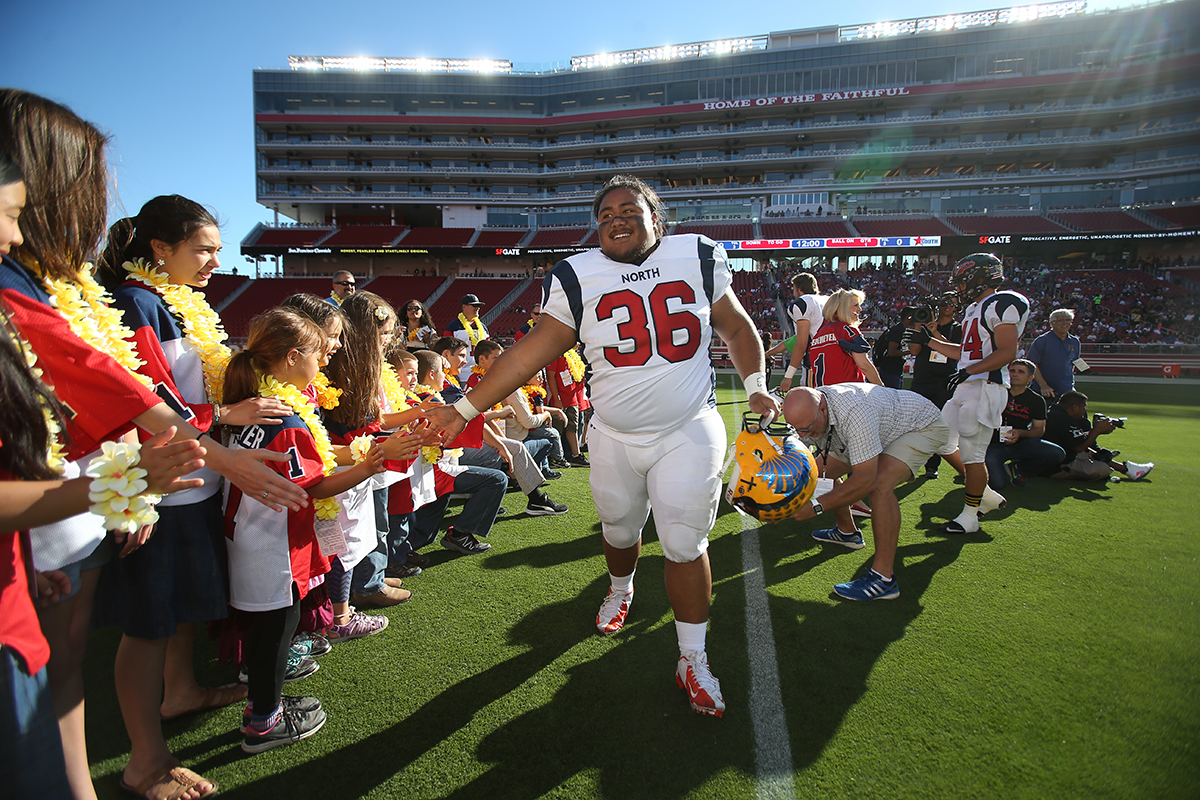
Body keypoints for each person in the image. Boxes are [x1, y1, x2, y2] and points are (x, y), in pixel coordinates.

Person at [1, 88, 307, 800]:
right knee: (89, 650)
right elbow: (127, 392)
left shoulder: (58, 285)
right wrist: (201, 451)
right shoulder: (111, 299)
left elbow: (120, 389)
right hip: (85, 505)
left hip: (91, 508)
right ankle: (138, 757)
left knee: (80, 655)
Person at [427, 174, 779, 718]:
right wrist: (464, 409)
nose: (616, 217)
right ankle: (621, 587)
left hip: (689, 427)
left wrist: (757, 388)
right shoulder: (575, 273)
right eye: (606, 211)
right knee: (619, 530)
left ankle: (692, 657)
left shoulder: (700, 254)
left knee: (686, 544)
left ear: (655, 216)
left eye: (629, 208)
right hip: (613, 434)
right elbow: (528, 355)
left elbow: (736, 326)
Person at [98, 195, 308, 799]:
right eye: (205, 249)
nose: (217, 260)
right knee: (147, 625)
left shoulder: (172, 302)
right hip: (161, 489)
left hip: (194, 485)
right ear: (160, 250)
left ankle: (182, 691)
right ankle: (145, 760)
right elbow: (145, 406)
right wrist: (223, 416)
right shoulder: (136, 303)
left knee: (176, 612)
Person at [222, 308, 385, 754]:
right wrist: (369, 466)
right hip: (272, 544)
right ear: (294, 358)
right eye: (317, 354)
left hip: (250, 536)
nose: (323, 364)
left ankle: (264, 703)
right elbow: (316, 487)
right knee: (276, 629)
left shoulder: (253, 408)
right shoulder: (286, 421)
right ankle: (264, 721)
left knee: (268, 630)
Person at [781, 384, 956, 600]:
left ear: (823, 409)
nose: (803, 435)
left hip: (918, 425)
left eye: (806, 428)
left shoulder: (855, 412)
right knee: (816, 474)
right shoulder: (813, 409)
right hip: (877, 428)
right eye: (797, 428)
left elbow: (865, 481)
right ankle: (847, 533)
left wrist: (817, 506)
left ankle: (883, 579)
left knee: (880, 485)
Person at [922, 253, 1030, 534]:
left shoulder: (1002, 302)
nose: (958, 289)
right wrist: (929, 341)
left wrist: (969, 372)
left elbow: (1007, 352)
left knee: (973, 456)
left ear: (979, 278)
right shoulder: (975, 309)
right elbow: (964, 354)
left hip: (985, 388)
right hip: (967, 385)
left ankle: (970, 517)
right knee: (941, 440)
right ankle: (988, 494)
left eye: (961, 282)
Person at [906, 293, 965, 480]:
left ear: (957, 307)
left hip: (944, 380)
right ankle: (911, 462)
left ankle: (932, 466)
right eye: (944, 302)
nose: (948, 306)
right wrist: (919, 325)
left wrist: (934, 333)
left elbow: (956, 352)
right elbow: (915, 350)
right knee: (916, 422)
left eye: (952, 304)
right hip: (922, 378)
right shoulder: (924, 324)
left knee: (940, 424)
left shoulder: (959, 328)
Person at [983, 359, 1066, 490]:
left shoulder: (1037, 400)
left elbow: (1039, 430)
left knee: (1056, 453)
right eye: (1012, 371)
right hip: (992, 445)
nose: (1014, 374)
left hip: (1021, 443)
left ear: (1031, 378)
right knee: (997, 484)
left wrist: (1020, 433)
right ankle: (981, 466)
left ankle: (1019, 469)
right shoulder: (995, 392)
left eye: (1021, 372)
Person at [1042, 391, 1154, 481]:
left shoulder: (1056, 413)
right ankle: (1126, 469)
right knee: (1103, 469)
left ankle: (1126, 469)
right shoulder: (1061, 419)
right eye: (1084, 407)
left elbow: (1074, 439)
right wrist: (1097, 430)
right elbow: (1078, 447)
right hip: (1056, 466)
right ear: (1075, 407)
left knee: (1092, 452)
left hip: (1055, 456)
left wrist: (1094, 431)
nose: (1085, 410)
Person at [807, 288, 883, 387]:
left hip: (823, 394)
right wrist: (882, 388)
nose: (860, 309)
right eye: (856, 305)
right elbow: (864, 366)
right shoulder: (846, 330)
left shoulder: (817, 335)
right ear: (843, 308)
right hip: (847, 393)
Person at [779, 272, 826, 393]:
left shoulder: (802, 303)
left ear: (799, 289)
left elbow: (801, 343)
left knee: (812, 405)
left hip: (816, 363)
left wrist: (788, 376)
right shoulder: (828, 300)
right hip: (835, 359)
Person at [1026, 308, 1081, 399]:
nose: (1065, 323)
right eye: (1061, 320)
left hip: (1066, 390)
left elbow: (1073, 363)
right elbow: (1033, 364)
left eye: (1068, 320)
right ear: (1052, 323)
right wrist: (1043, 385)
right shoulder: (1042, 341)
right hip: (1044, 391)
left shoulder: (1075, 342)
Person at [444, 293, 488, 383]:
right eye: (474, 305)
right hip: (460, 373)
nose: (477, 308)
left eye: (478, 306)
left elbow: (488, 350)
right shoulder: (453, 326)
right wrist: (452, 373)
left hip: (479, 375)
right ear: (464, 306)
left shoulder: (482, 327)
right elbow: (446, 351)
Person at [874, 308, 912, 389]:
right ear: (908, 317)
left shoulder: (900, 329)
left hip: (894, 370)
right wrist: (909, 352)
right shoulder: (898, 330)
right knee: (892, 398)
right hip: (890, 370)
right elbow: (892, 352)